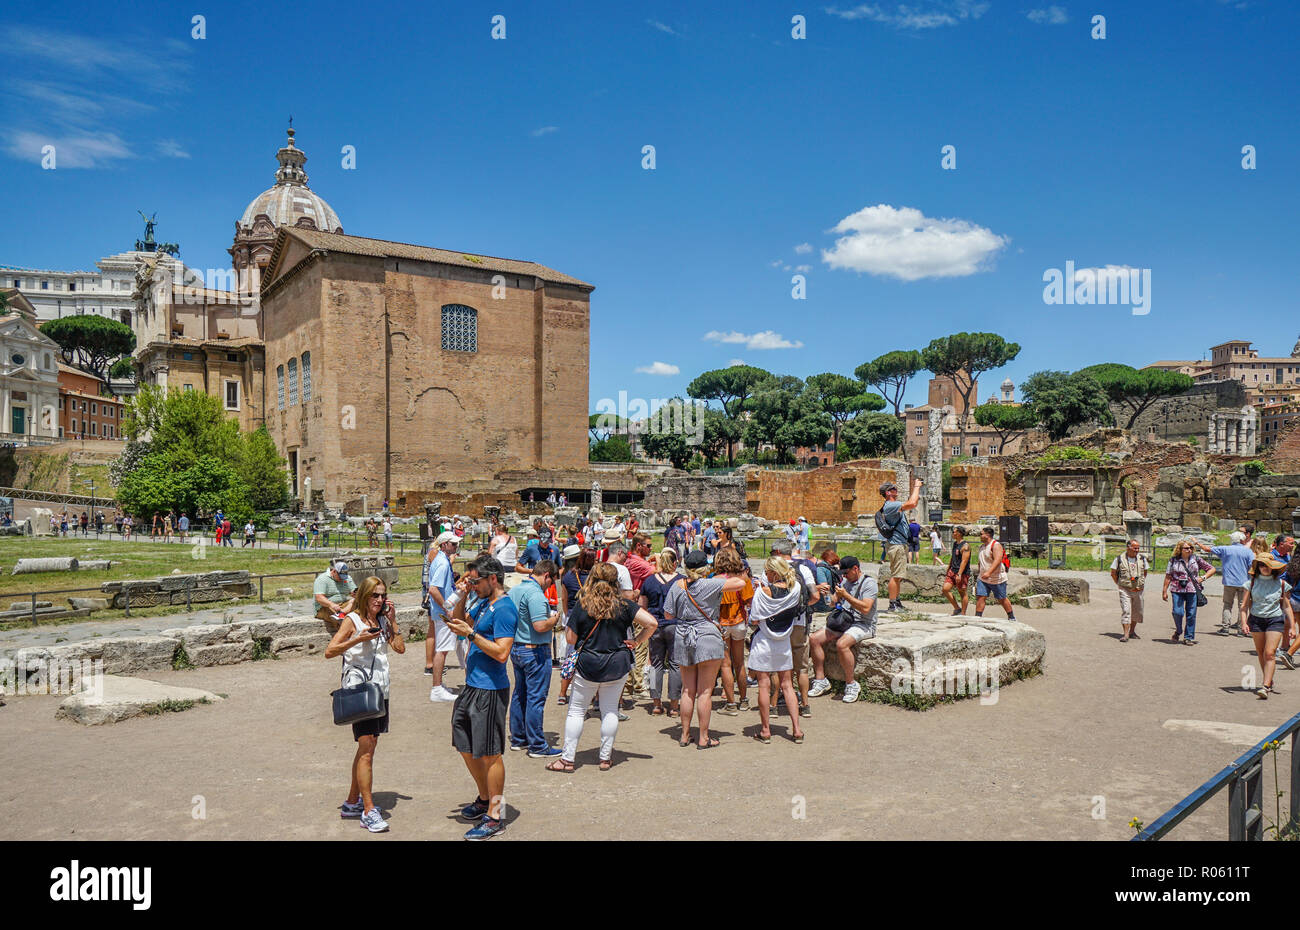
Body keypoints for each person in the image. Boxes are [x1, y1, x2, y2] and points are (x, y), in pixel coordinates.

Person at [547, 562, 658, 773]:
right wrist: (637, 640)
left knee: (576, 711)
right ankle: (605, 757)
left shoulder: (583, 604)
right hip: (617, 663)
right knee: (610, 710)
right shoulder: (624, 605)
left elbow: (571, 637)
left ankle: (568, 759)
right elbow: (652, 623)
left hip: (588, 663)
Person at [444, 555, 516, 840]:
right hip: (472, 685)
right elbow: (459, 621)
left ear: (493, 579)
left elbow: (501, 653)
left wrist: (471, 635)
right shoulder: (484, 603)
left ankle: (496, 814)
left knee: (490, 752)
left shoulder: (505, 609)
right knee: (463, 741)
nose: (472, 585)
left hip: (490, 688)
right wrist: (462, 593)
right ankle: (485, 797)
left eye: (475, 581)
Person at [325, 573, 403, 833]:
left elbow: (400, 648)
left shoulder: (382, 619)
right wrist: (359, 638)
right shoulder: (352, 620)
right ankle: (368, 810)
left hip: (380, 690)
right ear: (364, 596)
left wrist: (392, 621)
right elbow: (330, 651)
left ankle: (351, 802)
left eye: (383, 595)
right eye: (375, 595)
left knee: (368, 747)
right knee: (367, 751)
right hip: (360, 691)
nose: (380, 600)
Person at [664, 550, 748, 749]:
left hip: (684, 635)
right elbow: (741, 583)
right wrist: (726, 573)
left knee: (687, 690)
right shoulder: (711, 584)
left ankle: (684, 735)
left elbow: (668, 615)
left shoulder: (677, 586)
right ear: (704, 568)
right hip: (707, 635)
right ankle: (703, 737)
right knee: (705, 692)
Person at [747, 558, 807, 743]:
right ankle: (797, 729)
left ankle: (765, 730)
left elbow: (755, 619)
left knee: (764, 685)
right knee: (787, 685)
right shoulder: (795, 589)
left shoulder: (763, 592)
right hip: (784, 641)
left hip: (764, 640)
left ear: (773, 573)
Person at [508, 559, 563, 756]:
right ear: (546, 575)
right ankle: (537, 745)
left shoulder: (515, 591)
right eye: (551, 581)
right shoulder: (536, 595)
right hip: (535, 651)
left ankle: (518, 737)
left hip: (517, 648)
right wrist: (554, 620)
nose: (550, 586)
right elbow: (540, 626)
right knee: (535, 698)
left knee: (520, 694)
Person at [808, 556, 877, 703]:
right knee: (814, 639)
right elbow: (833, 604)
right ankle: (821, 680)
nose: (844, 576)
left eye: (846, 573)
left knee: (842, 644)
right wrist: (829, 596)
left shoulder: (869, 583)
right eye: (842, 574)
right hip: (843, 621)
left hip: (863, 623)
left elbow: (866, 608)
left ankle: (851, 684)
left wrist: (846, 595)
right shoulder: (845, 581)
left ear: (855, 569)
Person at [1239, 554, 1294, 698]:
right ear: (1257, 567)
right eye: (1262, 565)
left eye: (1268, 565)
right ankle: (1268, 679)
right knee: (1261, 652)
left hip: (1275, 619)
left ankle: (1265, 686)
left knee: (1270, 653)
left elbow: (1287, 607)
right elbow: (1243, 607)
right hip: (1256, 620)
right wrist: (1244, 623)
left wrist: (1293, 627)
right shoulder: (1250, 583)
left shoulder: (1282, 584)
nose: (1265, 568)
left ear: (1273, 567)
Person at [643, 548, 684, 717]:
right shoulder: (682, 581)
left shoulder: (649, 581)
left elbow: (642, 606)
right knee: (675, 664)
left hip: (655, 624)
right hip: (676, 624)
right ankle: (674, 705)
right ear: (675, 563)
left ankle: (656, 704)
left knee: (655, 664)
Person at [713, 546, 753, 715]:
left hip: (722, 623)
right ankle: (743, 700)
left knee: (726, 665)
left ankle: (730, 704)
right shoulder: (743, 580)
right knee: (740, 663)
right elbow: (749, 601)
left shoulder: (715, 580)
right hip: (739, 621)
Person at [555, 546, 596, 703]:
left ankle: (562, 693)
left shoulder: (568, 577)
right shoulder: (596, 578)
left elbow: (564, 598)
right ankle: (594, 695)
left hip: (573, 616)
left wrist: (567, 615)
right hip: (592, 618)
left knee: (571, 656)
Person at [424, 530, 461, 701]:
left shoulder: (441, 560)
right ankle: (437, 688)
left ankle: (438, 685)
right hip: (443, 614)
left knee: (442, 649)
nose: (456, 546)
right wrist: (447, 608)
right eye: (453, 544)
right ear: (444, 544)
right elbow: (433, 589)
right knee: (442, 650)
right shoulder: (443, 563)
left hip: (440, 612)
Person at [876, 478, 922, 612]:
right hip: (896, 545)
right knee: (896, 575)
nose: (897, 491)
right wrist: (916, 486)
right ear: (888, 493)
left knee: (898, 576)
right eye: (894, 489)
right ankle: (892, 604)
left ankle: (897, 601)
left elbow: (913, 502)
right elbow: (912, 503)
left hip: (899, 544)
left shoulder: (893, 505)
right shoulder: (890, 506)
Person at [1197, 532, 1254, 636]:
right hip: (1244, 581)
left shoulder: (1225, 549)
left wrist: (1197, 542)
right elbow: (1252, 566)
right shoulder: (1248, 551)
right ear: (1242, 540)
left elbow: (1207, 549)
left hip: (1229, 581)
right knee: (1243, 605)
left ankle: (1225, 627)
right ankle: (1241, 629)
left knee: (1227, 604)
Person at [1162, 539, 1214, 645]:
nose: (1189, 550)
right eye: (1186, 548)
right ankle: (1179, 630)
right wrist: (1164, 590)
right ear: (1180, 549)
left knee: (1191, 614)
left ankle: (1188, 637)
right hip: (1177, 588)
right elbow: (1168, 575)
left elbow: (1211, 569)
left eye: (1191, 548)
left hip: (1192, 589)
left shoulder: (1196, 559)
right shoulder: (1173, 560)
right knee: (1178, 612)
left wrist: (1203, 578)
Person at [1110, 538, 1149, 642]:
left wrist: (1141, 583)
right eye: (1135, 548)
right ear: (1128, 547)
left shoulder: (1142, 559)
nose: (1137, 550)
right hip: (1125, 589)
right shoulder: (1119, 559)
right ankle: (1126, 634)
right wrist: (1119, 584)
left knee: (1137, 612)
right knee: (1126, 610)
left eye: (1138, 548)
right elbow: (1113, 573)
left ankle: (1132, 631)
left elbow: (1145, 572)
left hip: (1138, 589)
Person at [974, 527, 1016, 621]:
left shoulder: (996, 545)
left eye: (981, 534)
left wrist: (989, 572)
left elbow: (997, 560)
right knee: (981, 597)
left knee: (1002, 598)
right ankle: (977, 618)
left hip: (997, 578)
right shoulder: (982, 546)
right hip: (983, 578)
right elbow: (981, 561)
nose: (980, 536)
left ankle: (1011, 617)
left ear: (987, 535)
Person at [315, 561, 358, 631]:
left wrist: (355, 593)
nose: (342, 579)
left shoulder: (347, 578)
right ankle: (343, 629)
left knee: (357, 602)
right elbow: (319, 598)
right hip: (325, 607)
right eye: (340, 577)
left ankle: (341, 613)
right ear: (334, 571)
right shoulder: (322, 579)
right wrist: (332, 604)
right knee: (336, 616)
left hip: (342, 606)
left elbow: (354, 591)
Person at [942, 526, 971, 615]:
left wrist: (959, 574)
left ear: (959, 533)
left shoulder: (965, 546)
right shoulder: (955, 544)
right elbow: (953, 557)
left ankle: (963, 613)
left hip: (961, 572)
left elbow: (964, 561)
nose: (952, 534)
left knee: (962, 592)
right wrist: (949, 567)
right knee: (945, 589)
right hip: (952, 571)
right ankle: (957, 608)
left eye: (954, 532)